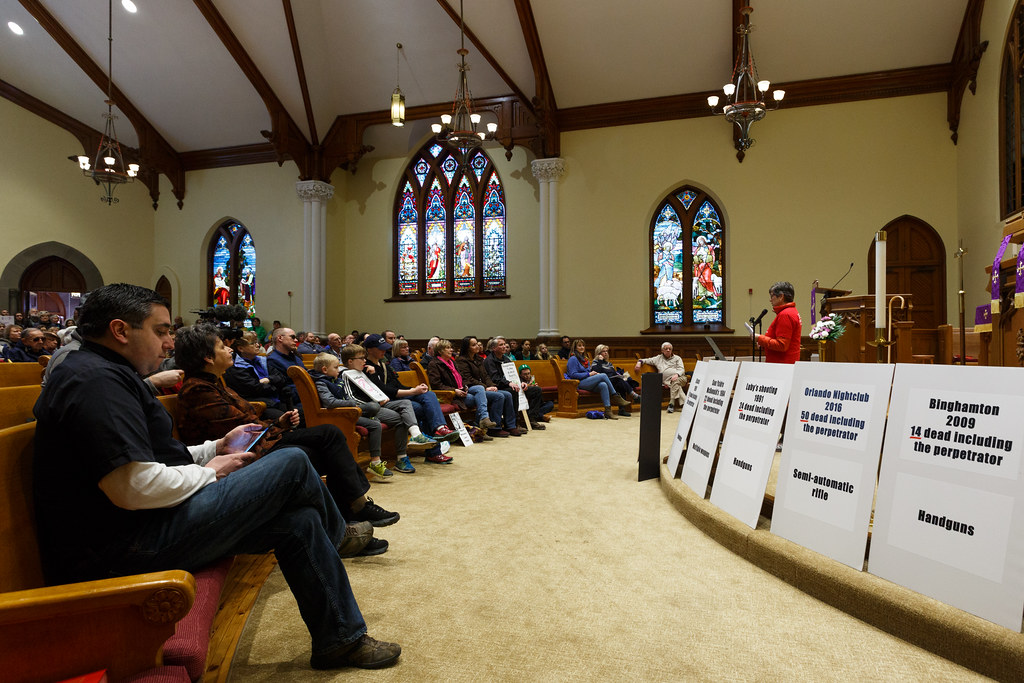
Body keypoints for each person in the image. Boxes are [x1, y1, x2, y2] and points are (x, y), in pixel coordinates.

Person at [33, 283, 401, 670]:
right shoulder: (95, 382)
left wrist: (213, 448)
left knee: (299, 522)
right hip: (123, 549)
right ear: (121, 330)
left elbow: (151, 457)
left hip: (143, 527)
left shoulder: (105, 372)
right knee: (291, 461)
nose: (168, 343)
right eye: (160, 331)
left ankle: (339, 640)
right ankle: (340, 534)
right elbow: (132, 488)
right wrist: (207, 473)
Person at [173, 324, 397, 554]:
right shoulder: (198, 390)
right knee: (322, 444)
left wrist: (278, 424)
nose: (230, 350)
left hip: (260, 443)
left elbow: (248, 421)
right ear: (207, 357)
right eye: (222, 347)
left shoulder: (214, 383)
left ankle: (348, 521)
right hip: (244, 456)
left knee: (327, 440)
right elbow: (241, 433)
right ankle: (351, 515)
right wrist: (275, 426)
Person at [341, 343, 436, 473]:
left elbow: (376, 389)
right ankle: (402, 458)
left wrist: (373, 377)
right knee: (402, 419)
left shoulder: (364, 370)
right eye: (361, 358)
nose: (365, 360)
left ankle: (416, 434)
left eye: (364, 358)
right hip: (367, 409)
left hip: (378, 404)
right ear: (350, 361)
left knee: (405, 403)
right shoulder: (346, 374)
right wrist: (376, 402)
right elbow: (351, 398)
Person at [362, 334, 459, 459]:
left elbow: (398, 385)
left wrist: (416, 389)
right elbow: (384, 390)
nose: (384, 351)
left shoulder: (384, 365)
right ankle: (434, 451)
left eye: (385, 348)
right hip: (388, 402)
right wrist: (413, 392)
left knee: (428, 394)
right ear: (369, 350)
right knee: (424, 408)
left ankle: (440, 427)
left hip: (399, 397)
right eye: (380, 348)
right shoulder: (367, 368)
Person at [310, 352, 393, 482]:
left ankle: (376, 462)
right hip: (339, 416)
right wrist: (353, 404)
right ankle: (376, 463)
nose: (339, 370)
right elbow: (330, 402)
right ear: (325, 370)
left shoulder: (335, 380)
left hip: (348, 412)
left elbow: (346, 397)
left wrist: (352, 404)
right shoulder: (322, 383)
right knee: (374, 412)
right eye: (336, 367)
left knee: (374, 412)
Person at [426, 338, 499, 437]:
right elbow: (436, 384)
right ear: (440, 351)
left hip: (462, 391)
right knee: (478, 398)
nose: (451, 350)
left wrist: (465, 387)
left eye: (451, 347)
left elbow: (462, 378)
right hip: (451, 395)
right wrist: (454, 391)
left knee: (479, 389)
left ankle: (483, 420)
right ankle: (481, 426)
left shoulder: (452, 362)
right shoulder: (434, 364)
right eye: (447, 348)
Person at [455, 336, 516, 437]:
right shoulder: (461, 360)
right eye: (474, 345)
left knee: (507, 394)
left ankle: (510, 425)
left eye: (477, 344)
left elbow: (485, 376)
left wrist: (492, 385)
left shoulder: (479, 359)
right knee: (499, 396)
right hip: (471, 388)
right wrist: (485, 387)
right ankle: (495, 428)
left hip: (481, 388)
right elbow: (468, 378)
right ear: (467, 347)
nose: (477, 346)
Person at [223, 330, 290, 417]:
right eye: (253, 343)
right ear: (240, 348)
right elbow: (255, 389)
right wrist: (275, 386)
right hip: (257, 405)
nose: (258, 345)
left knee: (302, 413)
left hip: (273, 401)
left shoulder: (261, 360)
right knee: (288, 418)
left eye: (257, 342)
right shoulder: (235, 367)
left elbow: (282, 377)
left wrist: (268, 379)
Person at [483, 337, 544, 431]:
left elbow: (513, 375)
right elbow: (495, 379)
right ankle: (515, 422)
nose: (504, 346)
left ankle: (531, 419)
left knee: (536, 390)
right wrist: (509, 383)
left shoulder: (506, 359)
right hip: (499, 387)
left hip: (511, 384)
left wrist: (521, 382)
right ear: (494, 348)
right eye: (501, 345)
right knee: (513, 391)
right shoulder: (489, 361)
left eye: (504, 344)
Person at [565, 339, 627, 420]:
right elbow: (572, 374)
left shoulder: (585, 359)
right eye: (579, 346)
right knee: (603, 375)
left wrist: (594, 373)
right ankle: (615, 396)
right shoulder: (573, 359)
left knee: (603, 385)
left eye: (583, 345)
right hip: (578, 383)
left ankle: (608, 411)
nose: (582, 347)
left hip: (587, 381)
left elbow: (589, 371)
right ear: (575, 348)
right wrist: (588, 374)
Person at [756, 281, 803, 364]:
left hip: (781, 365)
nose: (770, 300)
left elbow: (782, 345)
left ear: (781, 296)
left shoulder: (785, 314)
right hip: (784, 364)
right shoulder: (791, 312)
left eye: (772, 296)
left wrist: (760, 338)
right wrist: (764, 345)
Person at [635, 342, 688, 413]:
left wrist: (677, 375)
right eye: (666, 349)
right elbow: (645, 360)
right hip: (667, 381)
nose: (668, 350)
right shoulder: (658, 358)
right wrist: (639, 363)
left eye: (670, 349)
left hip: (681, 378)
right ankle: (686, 404)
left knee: (675, 381)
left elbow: (682, 369)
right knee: (675, 384)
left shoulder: (677, 358)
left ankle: (671, 403)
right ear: (662, 350)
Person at [592, 344, 639, 416]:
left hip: (613, 381)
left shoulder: (609, 364)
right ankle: (634, 396)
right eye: (603, 351)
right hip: (604, 382)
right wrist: (600, 361)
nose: (606, 353)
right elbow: (599, 372)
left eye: (606, 351)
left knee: (621, 384)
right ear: (598, 353)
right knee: (619, 381)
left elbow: (613, 373)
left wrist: (620, 376)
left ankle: (622, 410)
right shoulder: (595, 362)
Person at [266, 327, 306, 406]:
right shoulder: (273, 360)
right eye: (292, 337)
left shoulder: (296, 358)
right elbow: (284, 391)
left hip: (306, 396)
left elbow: (306, 375)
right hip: (294, 403)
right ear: (280, 338)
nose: (296, 340)